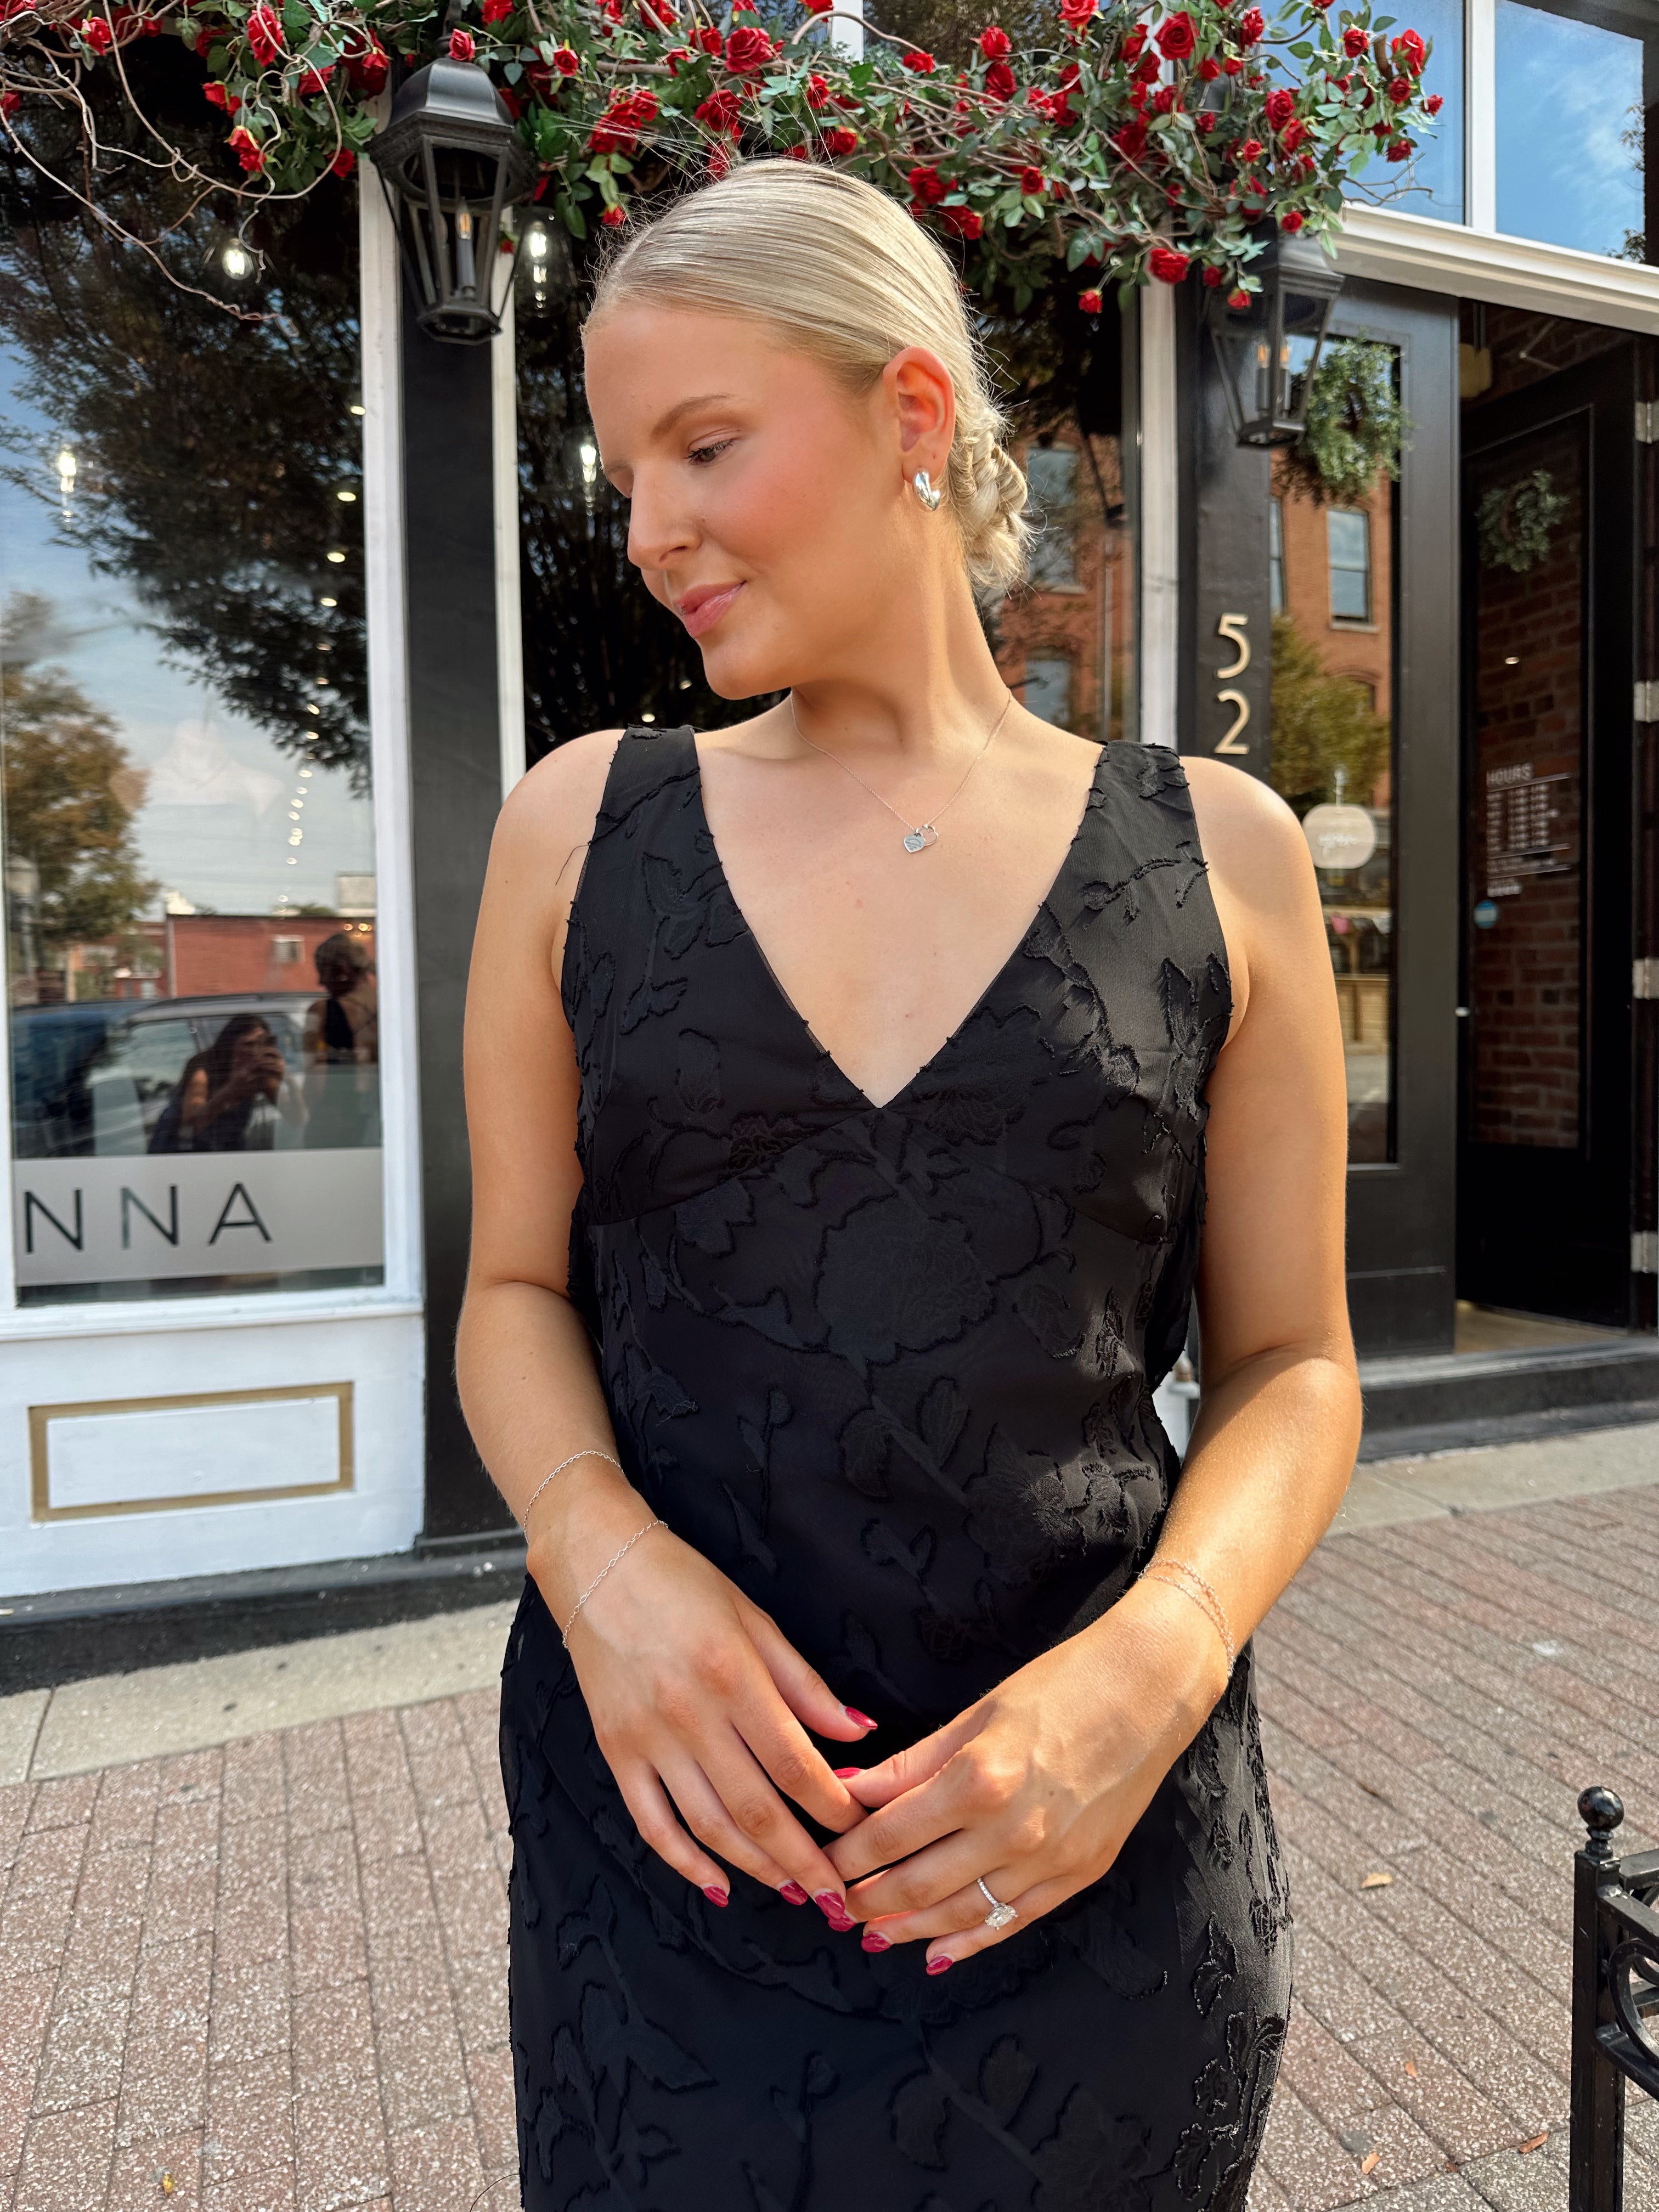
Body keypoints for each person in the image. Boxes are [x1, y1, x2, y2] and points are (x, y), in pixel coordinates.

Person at [458, 161, 1358, 2212]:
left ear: (912, 417)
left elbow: (1295, 1358)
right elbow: (511, 1288)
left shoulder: (1215, 853)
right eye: (623, 473)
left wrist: (1158, 1662)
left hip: (1096, 1862)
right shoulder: (578, 827)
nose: (645, 529)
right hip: (672, 1865)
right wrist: (597, 1557)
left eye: (702, 445)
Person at [148, 1010, 301, 1153]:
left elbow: (298, 1117)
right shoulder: (203, 1073)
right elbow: (192, 1124)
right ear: (231, 1046)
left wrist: (287, 1079)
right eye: (248, 1045)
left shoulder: (257, 1075)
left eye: (261, 1044)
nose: (255, 1052)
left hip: (227, 1151)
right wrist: (233, 1088)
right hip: (181, 1151)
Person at [301, 929, 380, 1147]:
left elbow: (314, 1080)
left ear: (342, 970)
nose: (320, 982)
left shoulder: (321, 1012)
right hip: (383, 1122)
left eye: (322, 972)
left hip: (337, 1125)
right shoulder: (394, 1007)